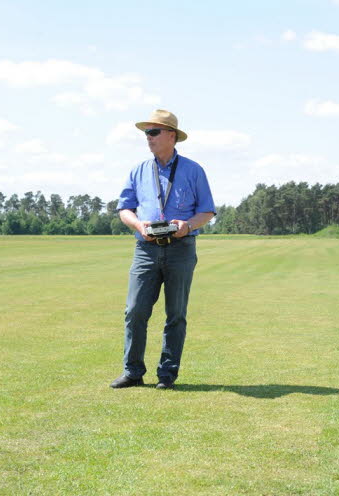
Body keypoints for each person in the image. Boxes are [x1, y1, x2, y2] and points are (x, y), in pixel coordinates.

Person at [110, 109, 215, 390]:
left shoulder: (194, 170)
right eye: (146, 132)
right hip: (145, 249)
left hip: (181, 248)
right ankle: (132, 371)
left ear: (172, 136)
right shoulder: (138, 170)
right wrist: (139, 225)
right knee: (135, 311)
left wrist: (188, 225)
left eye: (154, 132)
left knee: (176, 313)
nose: (148, 137)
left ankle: (167, 375)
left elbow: (206, 211)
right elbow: (124, 209)